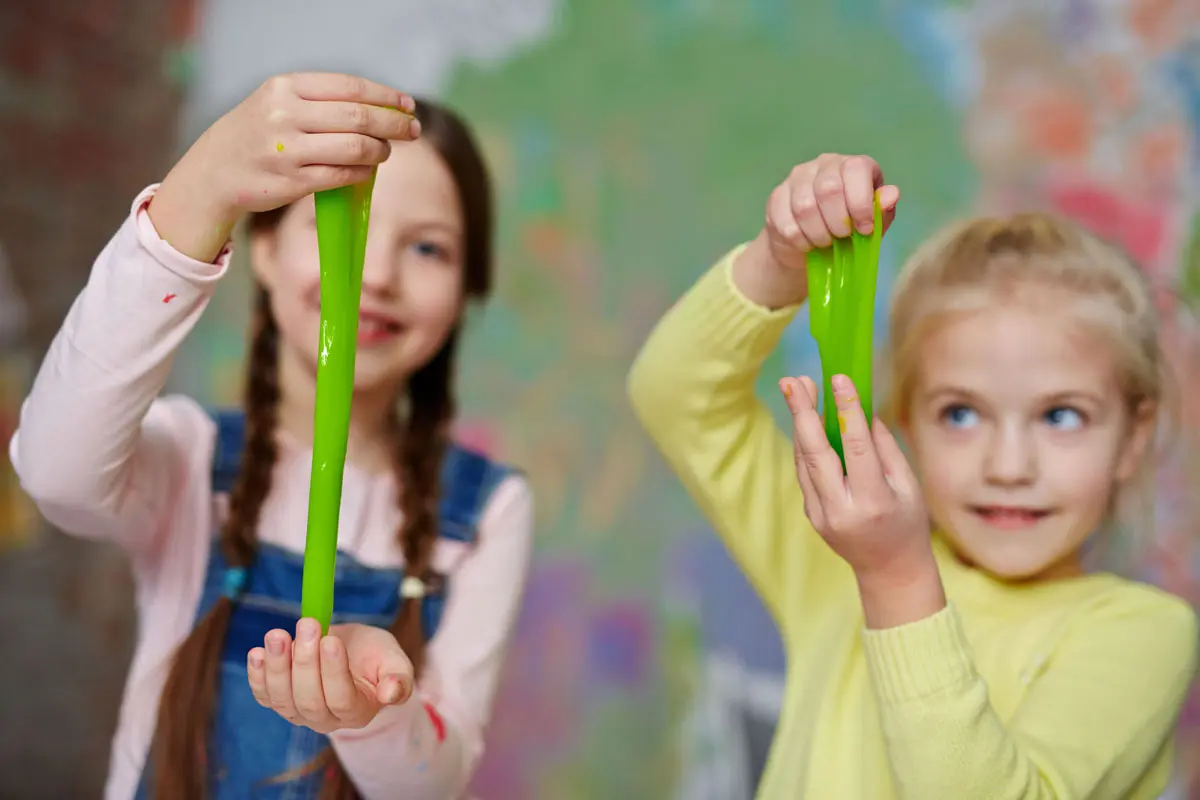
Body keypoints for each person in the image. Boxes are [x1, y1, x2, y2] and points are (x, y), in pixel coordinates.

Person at [11, 72, 533, 800]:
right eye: (338, 224)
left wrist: (372, 714)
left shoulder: (488, 514)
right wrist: (202, 190)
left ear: (468, 290)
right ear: (262, 248)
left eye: (428, 249)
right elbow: (52, 472)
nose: (374, 274)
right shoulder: (188, 460)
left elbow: (433, 785)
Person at [628, 152, 1198, 798]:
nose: (1009, 466)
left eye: (1061, 416)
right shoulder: (835, 561)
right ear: (904, 424)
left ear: (1133, 438)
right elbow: (675, 394)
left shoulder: (1140, 632)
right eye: (960, 413)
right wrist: (776, 264)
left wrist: (895, 578)